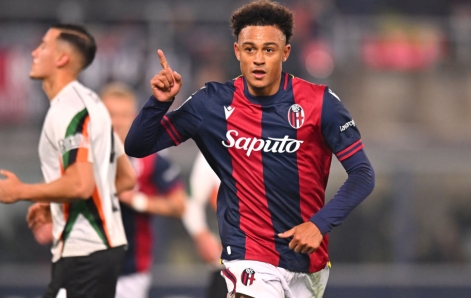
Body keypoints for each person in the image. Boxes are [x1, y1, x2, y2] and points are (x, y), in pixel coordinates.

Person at [124, 1, 376, 297]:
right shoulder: (212, 103)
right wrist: (159, 103)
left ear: (285, 53)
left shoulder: (321, 103)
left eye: (268, 50)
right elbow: (138, 145)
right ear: (237, 51)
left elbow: (362, 174)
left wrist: (319, 224)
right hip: (248, 252)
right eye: (250, 49)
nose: (258, 59)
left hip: (308, 261)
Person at [0, 24, 137, 298]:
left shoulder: (68, 109)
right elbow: (125, 178)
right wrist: (55, 203)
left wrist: (21, 192)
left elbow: (80, 185)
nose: (35, 52)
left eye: (44, 46)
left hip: (85, 252)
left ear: (62, 59)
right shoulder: (92, 102)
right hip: (98, 251)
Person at [99, 82, 187, 298]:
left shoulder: (150, 157)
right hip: (86, 265)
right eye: (111, 114)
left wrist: (137, 200)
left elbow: (180, 205)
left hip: (131, 271)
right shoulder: (83, 154)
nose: (117, 122)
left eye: (124, 115)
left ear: (134, 116)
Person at [182, 151, 227, 298]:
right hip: (227, 260)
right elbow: (191, 201)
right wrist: (201, 235)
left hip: (275, 257)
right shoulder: (215, 142)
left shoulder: (280, 142)